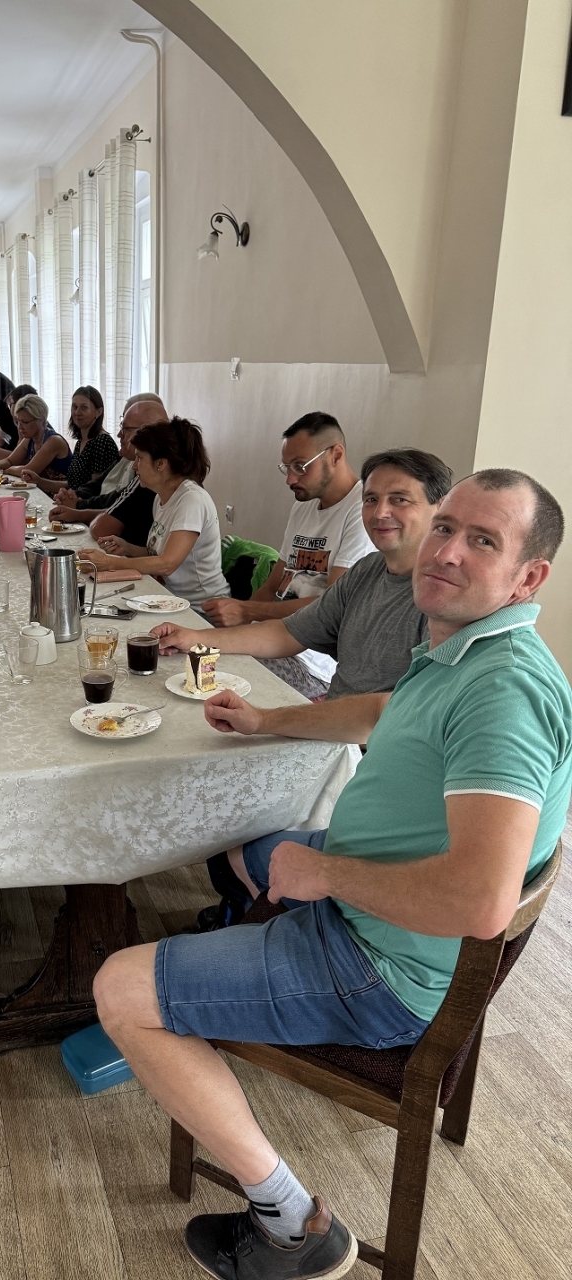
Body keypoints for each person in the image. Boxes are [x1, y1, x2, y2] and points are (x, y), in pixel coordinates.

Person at [94, 468, 571, 1280]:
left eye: (482, 541)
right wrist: (263, 721)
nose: (447, 552)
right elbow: (382, 711)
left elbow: (481, 900)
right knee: (241, 841)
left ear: (528, 578)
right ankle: (225, 967)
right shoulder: (460, 648)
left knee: (120, 989)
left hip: (380, 968)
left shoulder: (504, 693)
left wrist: (326, 874)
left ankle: (291, 1225)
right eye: (447, 527)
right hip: (372, 917)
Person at [157, 447, 454, 932]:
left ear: (440, 510)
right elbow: (289, 633)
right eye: (371, 498)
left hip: (370, 757)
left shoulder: (440, 599)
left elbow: (385, 717)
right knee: (220, 773)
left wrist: (266, 721)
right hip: (334, 733)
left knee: (229, 800)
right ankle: (245, 909)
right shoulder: (367, 572)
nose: (380, 512)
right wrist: (199, 638)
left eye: (400, 499)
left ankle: (273, 922)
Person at [204, 411, 375, 698]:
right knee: (196, 652)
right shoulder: (303, 506)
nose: (290, 479)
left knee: (216, 677)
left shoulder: (360, 512)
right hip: (273, 636)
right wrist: (239, 621)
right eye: (286, 468)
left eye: (300, 466)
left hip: (312, 663)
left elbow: (331, 606)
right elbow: (273, 585)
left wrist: (247, 611)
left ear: (335, 454)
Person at [81, 418, 230, 609]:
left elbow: (167, 564)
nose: (134, 466)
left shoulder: (191, 500)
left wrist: (108, 563)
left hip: (202, 608)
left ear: (160, 464)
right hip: (169, 598)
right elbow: (160, 553)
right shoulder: (160, 498)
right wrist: (127, 549)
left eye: (140, 458)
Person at [49, 397, 168, 546]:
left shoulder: (151, 473)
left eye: (125, 428)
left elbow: (103, 525)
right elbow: (101, 485)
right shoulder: (131, 460)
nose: (119, 434)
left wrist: (78, 507)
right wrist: (76, 498)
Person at [21, 386, 119, 497]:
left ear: (98, 412)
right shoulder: (81, 442)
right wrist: (38, 481)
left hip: (87, 506)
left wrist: (72, 504)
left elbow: (96, 491)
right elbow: (73, 486)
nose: (77, 412)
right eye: (74, 407)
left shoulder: (102, 442)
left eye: (84, 408)